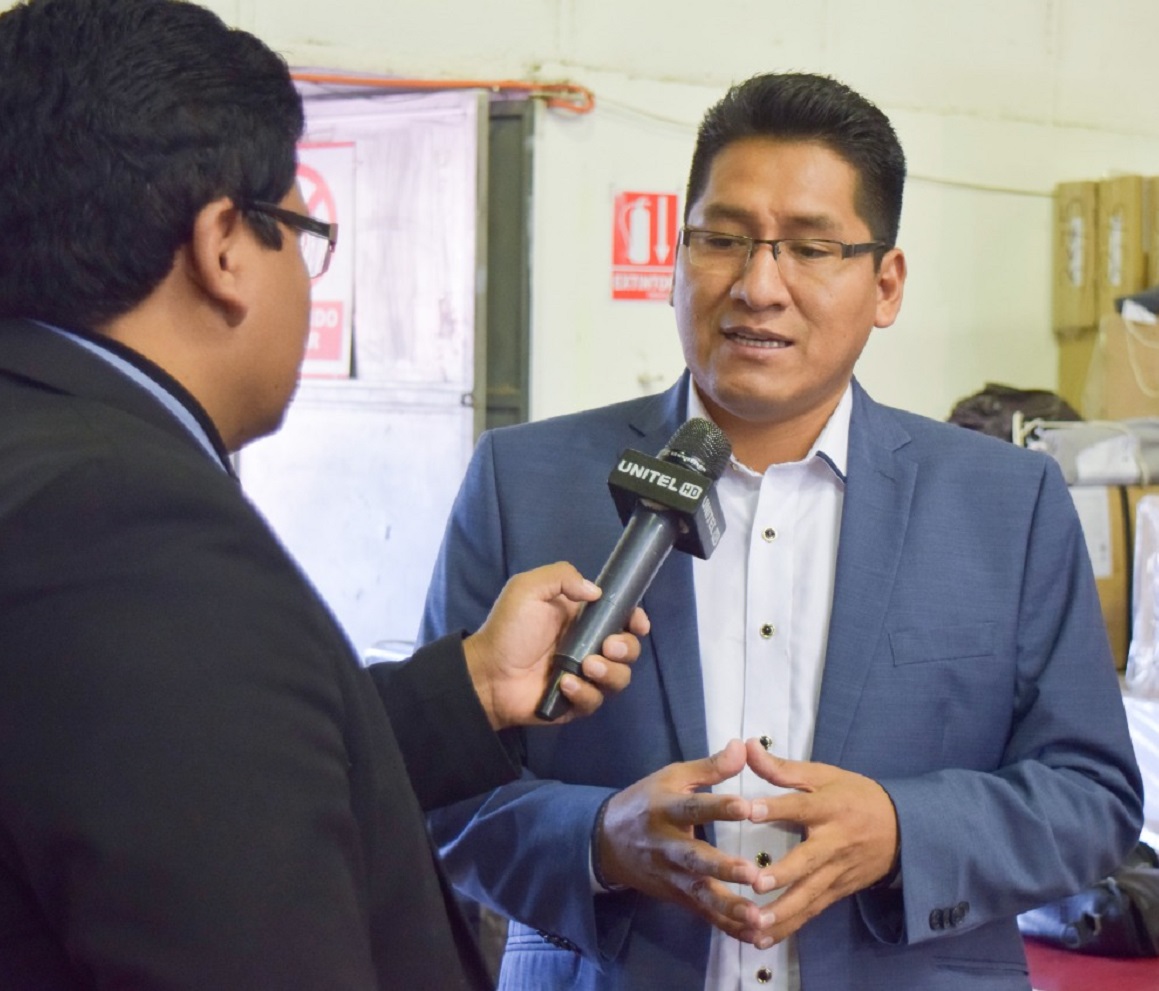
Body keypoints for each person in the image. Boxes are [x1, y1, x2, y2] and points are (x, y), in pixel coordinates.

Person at [420, 71, 1145, 990]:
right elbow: (442, 796)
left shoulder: (1007, 503)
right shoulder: (520, 482)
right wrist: (599, 840)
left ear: (885, 284)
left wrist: (902, 829)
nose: (758, 285)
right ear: (678, 258)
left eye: (810, 248)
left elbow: (1091, 795)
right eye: (723, 239)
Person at [0, 1, 647, 989]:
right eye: (304, 234)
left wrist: (470, 685)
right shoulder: (133, 529)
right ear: (225, 246)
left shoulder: (44, 451)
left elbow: (202, 775)